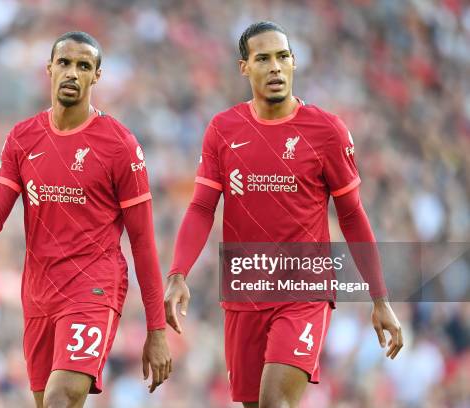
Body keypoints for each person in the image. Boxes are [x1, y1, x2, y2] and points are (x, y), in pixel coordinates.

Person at [0, 31, 171, 408]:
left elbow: (143, 242)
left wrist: (156, 330)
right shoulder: (23, 138)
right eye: (65, 63)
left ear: (97, 76)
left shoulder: (119, 145)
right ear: (49, 69)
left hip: (93, 289)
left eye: (84, 66)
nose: (72, 73)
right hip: (38, 294)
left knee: (60, 398)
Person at [164, 21, 403, 408]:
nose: (275, 67)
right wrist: (177, 274)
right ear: (244, 67)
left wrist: (380, 298)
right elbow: (201, 207)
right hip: (244, 290)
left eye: (283, 57)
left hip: (303, 290)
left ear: (293, 63)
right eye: (263, 59)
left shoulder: (327, 131)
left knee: (276, 401)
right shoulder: (223, 129)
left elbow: (353, 216)